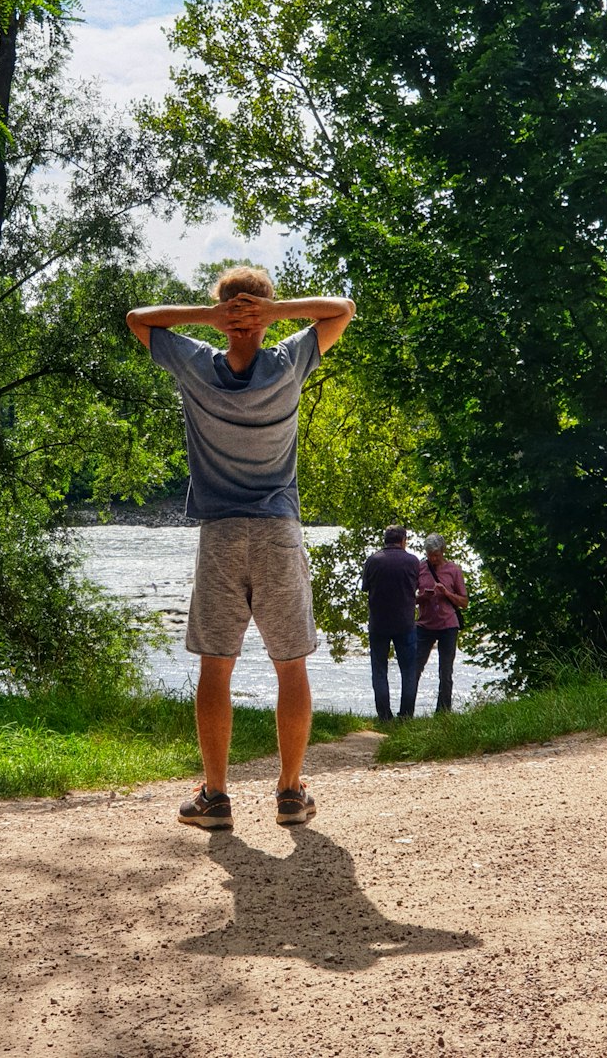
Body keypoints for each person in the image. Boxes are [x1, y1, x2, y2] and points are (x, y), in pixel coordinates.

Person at [126, 266, 355, 830]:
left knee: (217, 664)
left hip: (222, 532)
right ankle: (289, 793)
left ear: (225, 311)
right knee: (291, 664)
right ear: (264, 310)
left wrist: (210, 319)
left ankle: (217, 797)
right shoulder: (289, 361)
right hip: (278, 530)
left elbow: (137, 321)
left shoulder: (197, 365)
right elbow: (342, 308)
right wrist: (274, 315)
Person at [360, 526, 420, 721]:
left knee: (379, 669)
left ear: (385, 540)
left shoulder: (373, 560)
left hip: (379, 623)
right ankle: (406, 715)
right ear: (403, 540)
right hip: (405, 622)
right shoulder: (412, 561)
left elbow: (365, 588)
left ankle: (384, 716)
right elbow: (417, 587)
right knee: (409, 670)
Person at [415, 533, 468, 714]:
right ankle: (407, 711)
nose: (433, 558)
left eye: (436, 554)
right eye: (430, 554)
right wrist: (423, 596)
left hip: (448, 625)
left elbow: (464, 602)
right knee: (414, 668)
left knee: (445, 672)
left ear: (443, 552)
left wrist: (447, 593)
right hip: (424, 625)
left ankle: (443, 712)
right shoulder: (420, 569)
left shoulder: (454, 570)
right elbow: (411, 599)